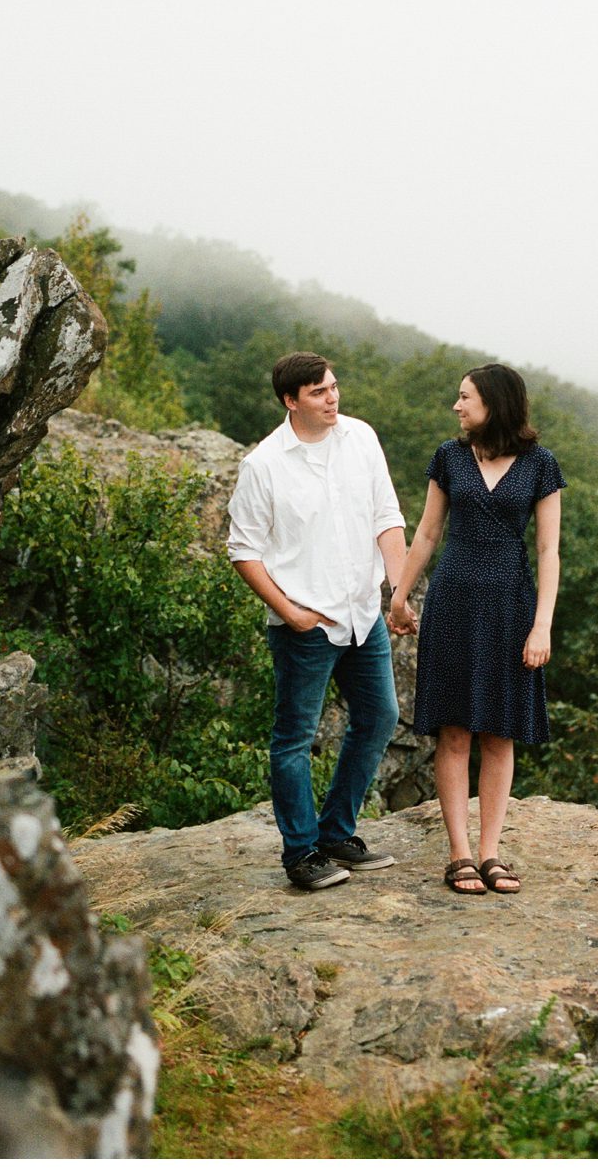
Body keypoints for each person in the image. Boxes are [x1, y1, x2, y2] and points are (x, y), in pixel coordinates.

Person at [226, 351, 407, 891]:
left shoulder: (361, 438)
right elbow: (243, 550)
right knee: (294, 740)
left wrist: (396, 592)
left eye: (333, 387)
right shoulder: (264, 465)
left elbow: (387, 518)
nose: (332, 399)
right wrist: (291, 614)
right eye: (318, 392)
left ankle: (335, 833)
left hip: (362, 612)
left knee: (379, 717)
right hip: (306, 624)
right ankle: (300, 853)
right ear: (290, 401)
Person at [386, 363, 564, 897]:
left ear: (495, 403)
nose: (457, 407)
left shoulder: (540, 465)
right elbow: (427, 531)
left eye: (465, 398)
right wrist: (399, 594)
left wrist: (543, 626)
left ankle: (491, 852)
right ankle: (459, 854)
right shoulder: (449, 456)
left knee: (500, 731)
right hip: (453, 600)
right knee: (455, 729)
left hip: (512, 604)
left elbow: (549, 550)